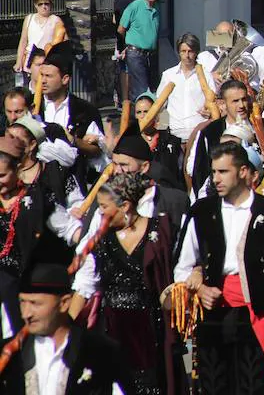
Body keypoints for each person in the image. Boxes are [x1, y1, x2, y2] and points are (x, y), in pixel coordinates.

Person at [175, 142, 264, 395]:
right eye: (213, 172)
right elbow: (182, 266)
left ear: (244, 172)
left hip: (255, 313)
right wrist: (199, 287)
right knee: (213, 384)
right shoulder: (201, 211)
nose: (216, 179)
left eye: (223, 172)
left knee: (254, 384)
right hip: (212, 315)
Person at [69, 172, 186, 395]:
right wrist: (68, 327)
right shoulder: (100, 240)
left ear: (124, 206)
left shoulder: (161, 231)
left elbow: (181, 268)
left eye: (104, 207)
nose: (100, 213)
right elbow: (84, 287)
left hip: (152, 329)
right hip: (113, 329)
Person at [0, 263, 134, 394]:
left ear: (64, 303)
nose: (26, 314)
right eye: (22, 302)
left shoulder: (101, 353)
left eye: (35, 304)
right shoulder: (10, 356)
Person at [0, 135, 81, 343]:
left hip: (23, 291)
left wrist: (94, 240)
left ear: (17, 169)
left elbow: (70, 229)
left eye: (2, 175)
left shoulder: (37, 199)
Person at [187, 80, 264, 198]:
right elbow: (198, 171)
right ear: (223, 103)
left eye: (244, 99)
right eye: (235, 101)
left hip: (260, 193)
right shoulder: (211, 132)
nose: (241, 105)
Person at [36, 41, 104, 186]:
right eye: (42, 75)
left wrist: (74, 141)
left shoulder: (85, 110)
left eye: (49, 76)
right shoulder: (34, 107)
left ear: (65, 79)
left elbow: (97, 151)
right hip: (39, 181)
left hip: (76, 181)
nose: (43, 81)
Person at [157, 32, 216, 143]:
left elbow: (213, 102)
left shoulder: (206, 75)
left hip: (199, 133)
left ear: (196, 52)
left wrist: (209, 112)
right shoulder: (168, 75)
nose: (187, 55)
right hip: (175, 135)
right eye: (183, 51)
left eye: (190, 51)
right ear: (178, 52)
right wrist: (163, 131)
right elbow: (161, 106)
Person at [118, 0, 161, 101]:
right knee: (141, 90)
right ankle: (139, 119)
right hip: (135, 53)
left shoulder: (157, 8)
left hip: (151, 55)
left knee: (153, 88)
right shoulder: (134, 6)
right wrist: (127, 46)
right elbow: (121, 29)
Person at [134, 91, 183, 187]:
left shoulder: (170, 141)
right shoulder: (131, 142)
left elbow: (179, 171)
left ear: (155, 113)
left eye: (146, 111)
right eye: (139, 112)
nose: (143, 116)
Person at [13, 0, 64, 83]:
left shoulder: (56, 20)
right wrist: (18, 61)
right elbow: (23, 41)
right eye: (40, 4)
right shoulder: (29, 19)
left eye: (46, 4)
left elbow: (63, 42)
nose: (43, 7)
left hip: (47, 61)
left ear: (50, 5)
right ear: (35, 5)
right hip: (29, 62)